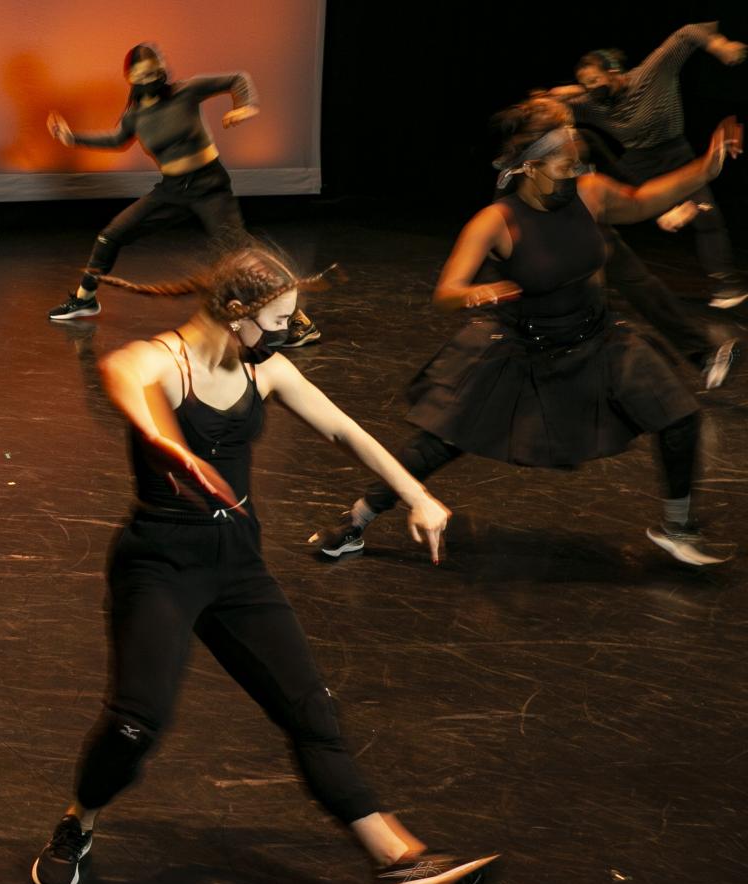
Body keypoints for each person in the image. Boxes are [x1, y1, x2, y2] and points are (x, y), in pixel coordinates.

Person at [30, 245, 495, 884]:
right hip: (160, 564)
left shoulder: (267, 370)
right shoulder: (158, 360)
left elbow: (346, 431)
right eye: (278, 320)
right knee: (137, 722)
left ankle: (397, 860)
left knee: (311, 711)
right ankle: (80, 820)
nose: (287, 332)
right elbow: (125, 382)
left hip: (238, 567)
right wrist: (172, 451)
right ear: (235, 311)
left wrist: (415, 495)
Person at [312, 101, 741, 566]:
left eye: (576, 161)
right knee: (436, 446)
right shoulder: (497, 221)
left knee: (679, 416)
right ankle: (358, 519)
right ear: (531, 166)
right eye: (563, 165)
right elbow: (446, 292)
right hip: (525, 350)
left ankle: (677, 527)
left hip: (599, 341)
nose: (573, 171)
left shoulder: (590, 193)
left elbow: (643, 201)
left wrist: (707, 166)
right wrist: (477, 295)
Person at [45, 43, 320, 348]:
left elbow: (237, 79)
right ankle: (85, 300)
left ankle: (297, 322)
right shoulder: (136, 115)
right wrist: (72, 138)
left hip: (209, 187)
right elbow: (117, 140)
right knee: (110, 236)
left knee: (240, 257)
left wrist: (246, 106)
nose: (151, 77)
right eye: (143, 73)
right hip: (172, 190)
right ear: (131, 77)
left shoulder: (186, 91)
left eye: (155, 70)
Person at [557, 23, 747, 307]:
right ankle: (570, 278)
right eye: (585, 84)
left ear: (614, 73)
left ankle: (727, 286)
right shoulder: (591, 103)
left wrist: (720, 45)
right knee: (595, 204)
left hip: (675, 154)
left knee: (709, 219)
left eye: (594, 80)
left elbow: (687, 34)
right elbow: (547, 109)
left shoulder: (651, 73)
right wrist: (560, 94)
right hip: (637, 163)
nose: (590, 89)